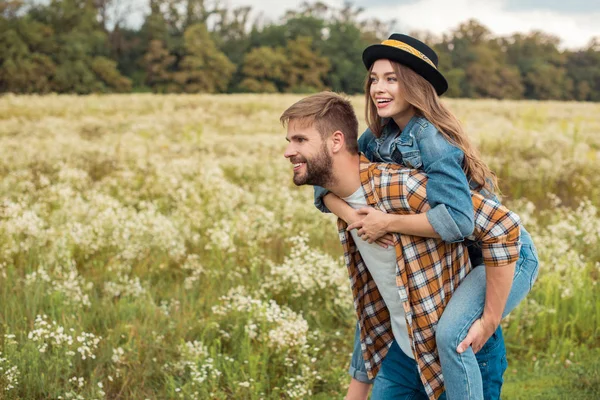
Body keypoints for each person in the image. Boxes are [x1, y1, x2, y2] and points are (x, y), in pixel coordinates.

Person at [312, 34, 539, 400]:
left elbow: (458, 222)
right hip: (459, 256)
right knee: (377, 306)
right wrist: (356, 216)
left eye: (391, 78)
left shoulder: (431, 139)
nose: (378, 88)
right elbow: (327, 184)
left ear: (415, 85)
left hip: (505, 254)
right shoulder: (377, 138)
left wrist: (387, 223)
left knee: (451, 335)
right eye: (374, 78)